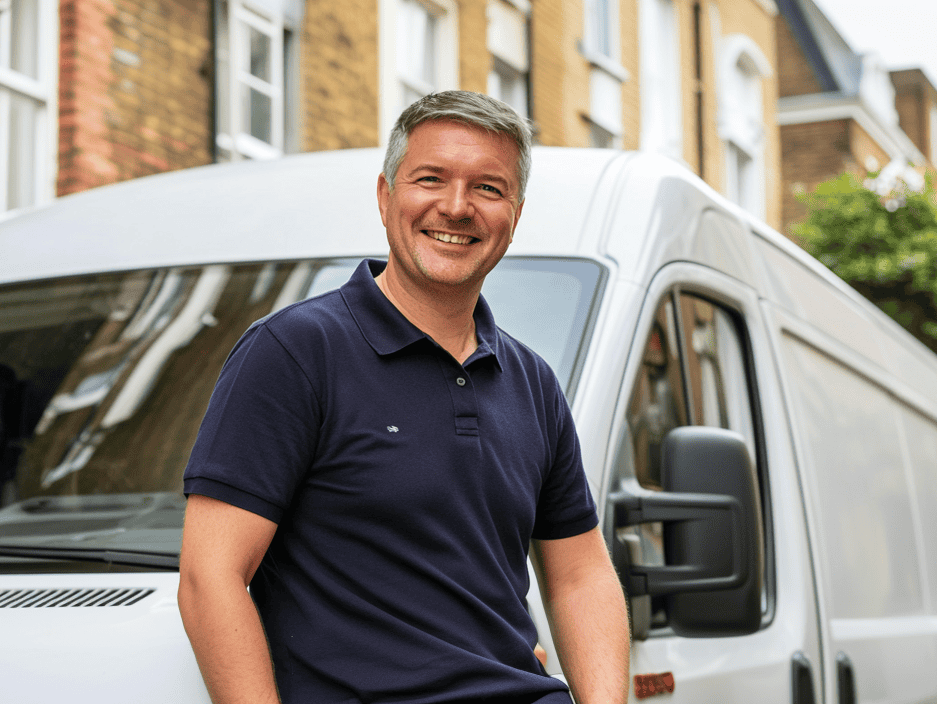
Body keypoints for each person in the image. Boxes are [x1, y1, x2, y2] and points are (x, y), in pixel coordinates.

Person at [178, 90, 630, 704]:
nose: (456, 206)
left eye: (488, 189)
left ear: (515, 216)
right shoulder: (296, 351)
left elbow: (580, 576)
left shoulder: (534, 382)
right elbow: (211, 578)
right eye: (430, 179)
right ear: (387, 196)